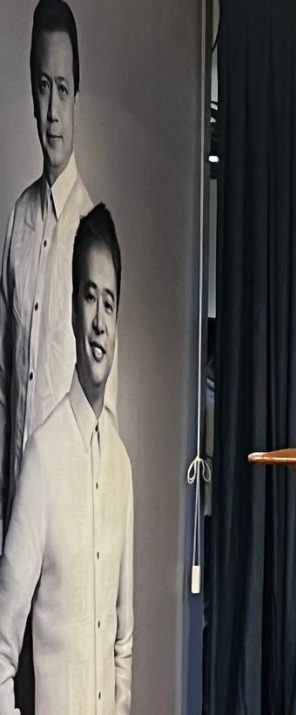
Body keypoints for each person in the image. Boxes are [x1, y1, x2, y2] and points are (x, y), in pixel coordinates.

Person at [0, 204, 133, 714]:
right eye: (89, 297)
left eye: (110, 304)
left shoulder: (122, 468)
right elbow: (2, 645)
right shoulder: (43, 459)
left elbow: (124, 642)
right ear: (73, 310)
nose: (99, 322)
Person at [0, 0, 116, 551]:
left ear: (77, 97)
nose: (52, 111)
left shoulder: (93, 233)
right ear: (31, 92)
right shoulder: (17, 221)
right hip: (10, 518)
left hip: (63, 529)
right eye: (43, 87)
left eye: (63, 89)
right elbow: (5, 383)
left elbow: (102, 405)